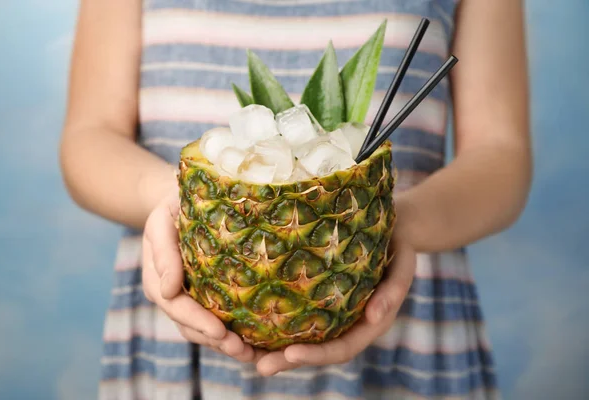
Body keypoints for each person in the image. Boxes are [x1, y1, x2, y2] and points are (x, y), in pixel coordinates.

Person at [59, 0, 531, 398]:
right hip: (176, 331)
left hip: (402, 320)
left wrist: (395, 223)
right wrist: (176, 200)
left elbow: (502, 156)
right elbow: (88, 136)